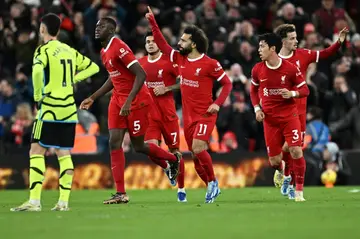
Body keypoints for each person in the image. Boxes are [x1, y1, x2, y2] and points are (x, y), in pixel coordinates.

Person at [80, 17, 181, 205]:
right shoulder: (104, 51)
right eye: (96, 25)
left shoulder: (119, 47)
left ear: (111, 30)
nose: (97, 28)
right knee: (114, 142)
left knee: (139, 146)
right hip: (118, 101)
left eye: (101, 26)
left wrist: (129, 101)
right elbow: (114, 78)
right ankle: (121, 193)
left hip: (137, 101)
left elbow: (140, 73)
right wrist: (93, 97)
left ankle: (172, 159)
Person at [11, 13, 100, 212]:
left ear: (42, 29)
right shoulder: (68, 50)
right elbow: (93, 67)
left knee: (36, 151)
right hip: (68, 110)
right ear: (58, 30)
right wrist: (73, 80)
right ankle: (63, 202)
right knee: (64, 153)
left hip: (49, 108)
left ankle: (34, 201)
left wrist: (37, 97)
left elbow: (35, 72)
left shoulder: (42, 50)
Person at [145, 7, 233, 203]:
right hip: (189, 117)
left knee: (199, 148)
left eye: (183, 40)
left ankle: (213, 183)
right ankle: (211, 184)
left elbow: (227, 83)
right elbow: (162, 43)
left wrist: (218, 104)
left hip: (206, 114)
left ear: (193, 43)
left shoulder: (210, 64)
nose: (179, 42)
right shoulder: (179, 59)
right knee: (196, 159)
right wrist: (152, 21)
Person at [274, 24, 348, 199]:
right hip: (279, 109)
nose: (296, 40)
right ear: (283, 41)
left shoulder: (303, 55)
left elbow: (324, 54)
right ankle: (281, 169)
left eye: (296, 37)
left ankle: (293, 186)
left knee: (296, 148)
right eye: (292, 38)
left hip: (298, 110)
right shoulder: (273, 60)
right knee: (283, 150)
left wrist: (339, 42)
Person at [250, 33, 309, 202]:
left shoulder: (290, 68)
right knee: (275, 161)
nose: (259, 50)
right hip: (270, 120)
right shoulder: (257, 69)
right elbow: (253, 90)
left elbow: (305, 90)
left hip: (290, 116)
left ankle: (298, 191)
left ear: (273, 49)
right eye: (259, 46)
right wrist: (256, 109)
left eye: (262, 46)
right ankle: (282, 171)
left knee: (296, 149)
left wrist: (292, 93)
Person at [138, 31, 187, 202]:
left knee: (175, 152)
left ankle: (181, 190)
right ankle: (167, 166)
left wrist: (166, 89)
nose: (150, 44)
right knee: (149, 149)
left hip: (168, 115)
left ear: (159, 44)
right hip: (150, 115)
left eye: (153, 41)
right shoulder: (140, 63)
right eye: (147, 41)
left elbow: (183, 82)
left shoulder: (169, 62)